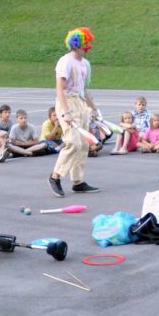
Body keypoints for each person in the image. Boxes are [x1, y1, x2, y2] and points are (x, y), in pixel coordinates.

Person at [49, 27, 100, 197]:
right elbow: (60, 89)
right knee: (73, 142)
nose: (89, 46)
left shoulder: (85, 64)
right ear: (77, 43)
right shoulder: (65, 61)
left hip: (80, 102)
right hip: (67, 102)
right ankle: (55, 176)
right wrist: (66, 112)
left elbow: (84, 90)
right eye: (86, 42)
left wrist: (93, 108)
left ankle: (78, 181)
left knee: (84, 143)